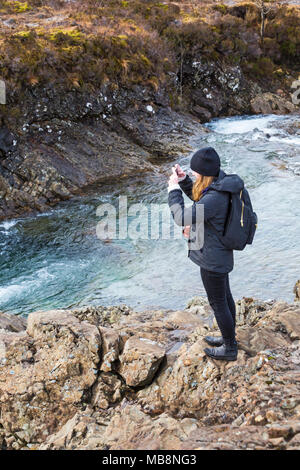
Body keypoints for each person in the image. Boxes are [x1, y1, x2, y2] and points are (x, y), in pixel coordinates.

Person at [168, 147, 245, 362]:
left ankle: (230, 348)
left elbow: (182, 217)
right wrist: (183, 182)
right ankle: (229, 337)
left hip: (212, 257)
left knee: (218, 302)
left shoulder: (214, 198)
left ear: (204, 173)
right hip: (219, 253)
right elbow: (199, 196)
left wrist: (173, 190)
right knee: (225, 297)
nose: (192, 173)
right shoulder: (219, 183)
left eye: (194, 172)